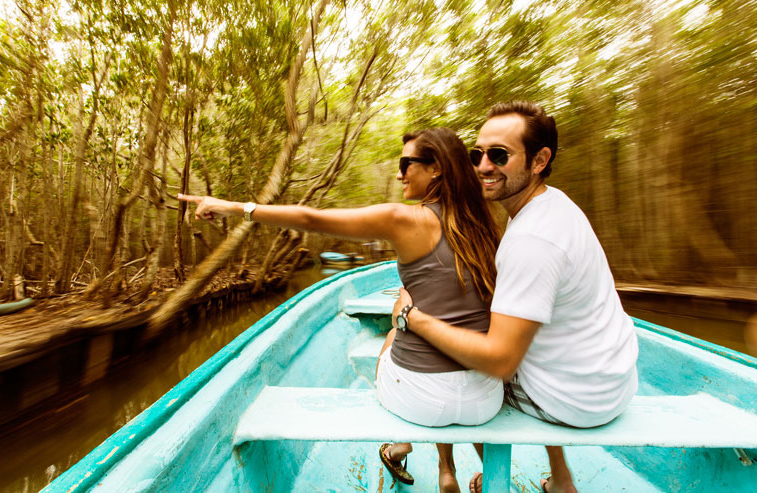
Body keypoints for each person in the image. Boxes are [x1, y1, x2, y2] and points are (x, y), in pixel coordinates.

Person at [179, 128, 504, 492]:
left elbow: (310, 219)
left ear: (436, 170)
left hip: (420, 403)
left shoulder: (405, 219)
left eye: (405, 164)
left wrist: (235, 207)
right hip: (484, 401)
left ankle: (412, 449)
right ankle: (448, 470)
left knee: (397, 332)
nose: (399, 174)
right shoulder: (486, 226)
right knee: (430, 332)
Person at [392, 102, 639, 493]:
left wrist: (414, 317)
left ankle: (463, 473)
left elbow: (501, 362)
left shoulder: (530, 241)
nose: (484, 166)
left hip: (573, 399)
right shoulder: (553, 204)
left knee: (448, 366)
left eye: (500, 155)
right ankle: (561, 480)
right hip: (613, 377)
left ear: (540, 160)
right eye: (478, 154)